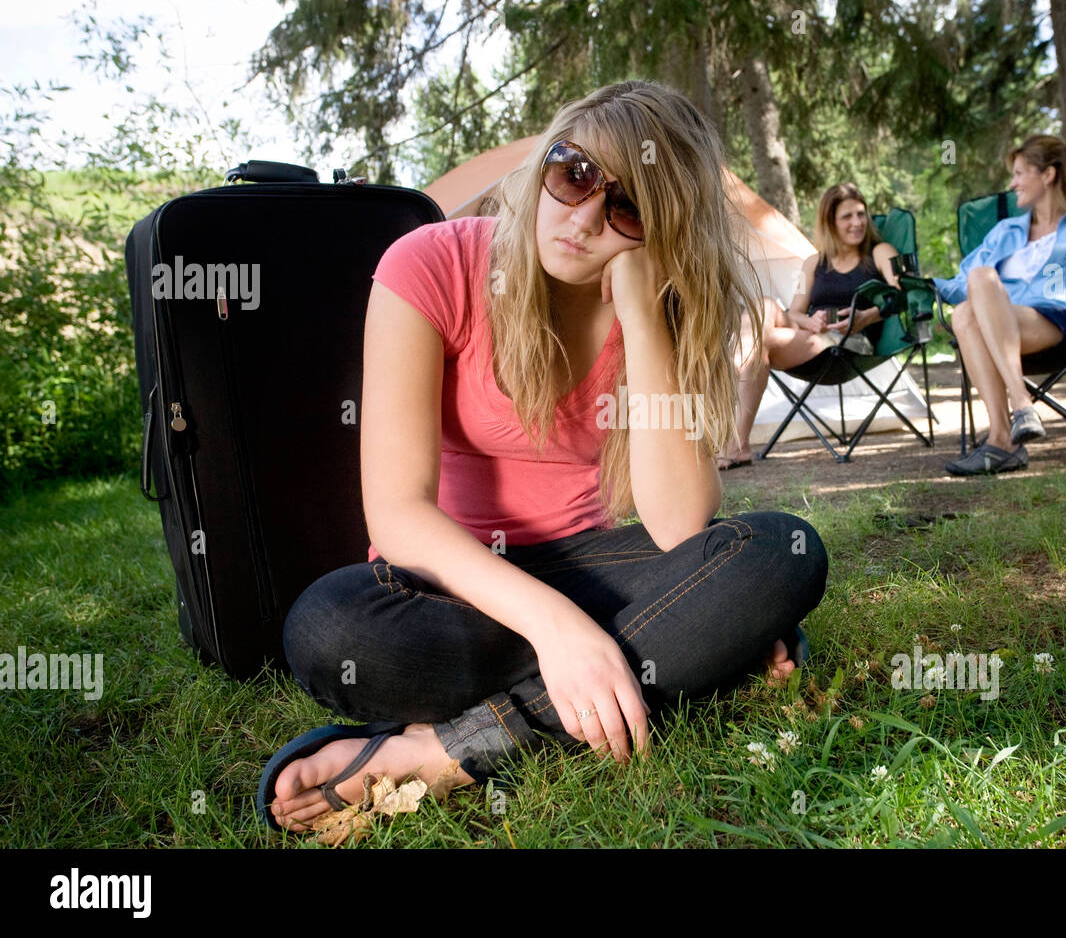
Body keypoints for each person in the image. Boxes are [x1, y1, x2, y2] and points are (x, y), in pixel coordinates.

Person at [258, 80, 829, 832]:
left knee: (781, 552)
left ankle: (438, 753)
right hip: (447, 588)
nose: (586, 217)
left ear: (664, 231)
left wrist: (642, 318)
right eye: (576, 174)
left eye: (629, 208)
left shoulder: (663, 308)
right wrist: (560, 629)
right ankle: (689, 651)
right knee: (326, 629)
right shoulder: (429, 263)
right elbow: (397, 512)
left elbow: (681, 524)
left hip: (595, 567)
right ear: (543, 165)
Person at [935, 134, 1066, 476]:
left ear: (1048, 175)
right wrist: (920, 285)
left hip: (1061, 320)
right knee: (966, 304)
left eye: (1020, 173)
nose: (1013, 183)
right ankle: (1006, 437)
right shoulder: (1006, 230)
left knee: (981, 278)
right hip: (1002, 325)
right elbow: (961, 282)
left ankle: (1019, 409)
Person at [716, 183, 901, 470]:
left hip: (850, 343)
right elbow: (796, 312)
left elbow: (899, 294)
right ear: (831, 222)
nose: (857, 223)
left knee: (763, 340)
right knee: (763, 304)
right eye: (847, 217)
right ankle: (738, 366)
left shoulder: (879, 252)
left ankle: (735, 431)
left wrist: (868, 316)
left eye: (861, 214)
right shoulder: (813, 263)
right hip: (814, 335)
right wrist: (811, 321)